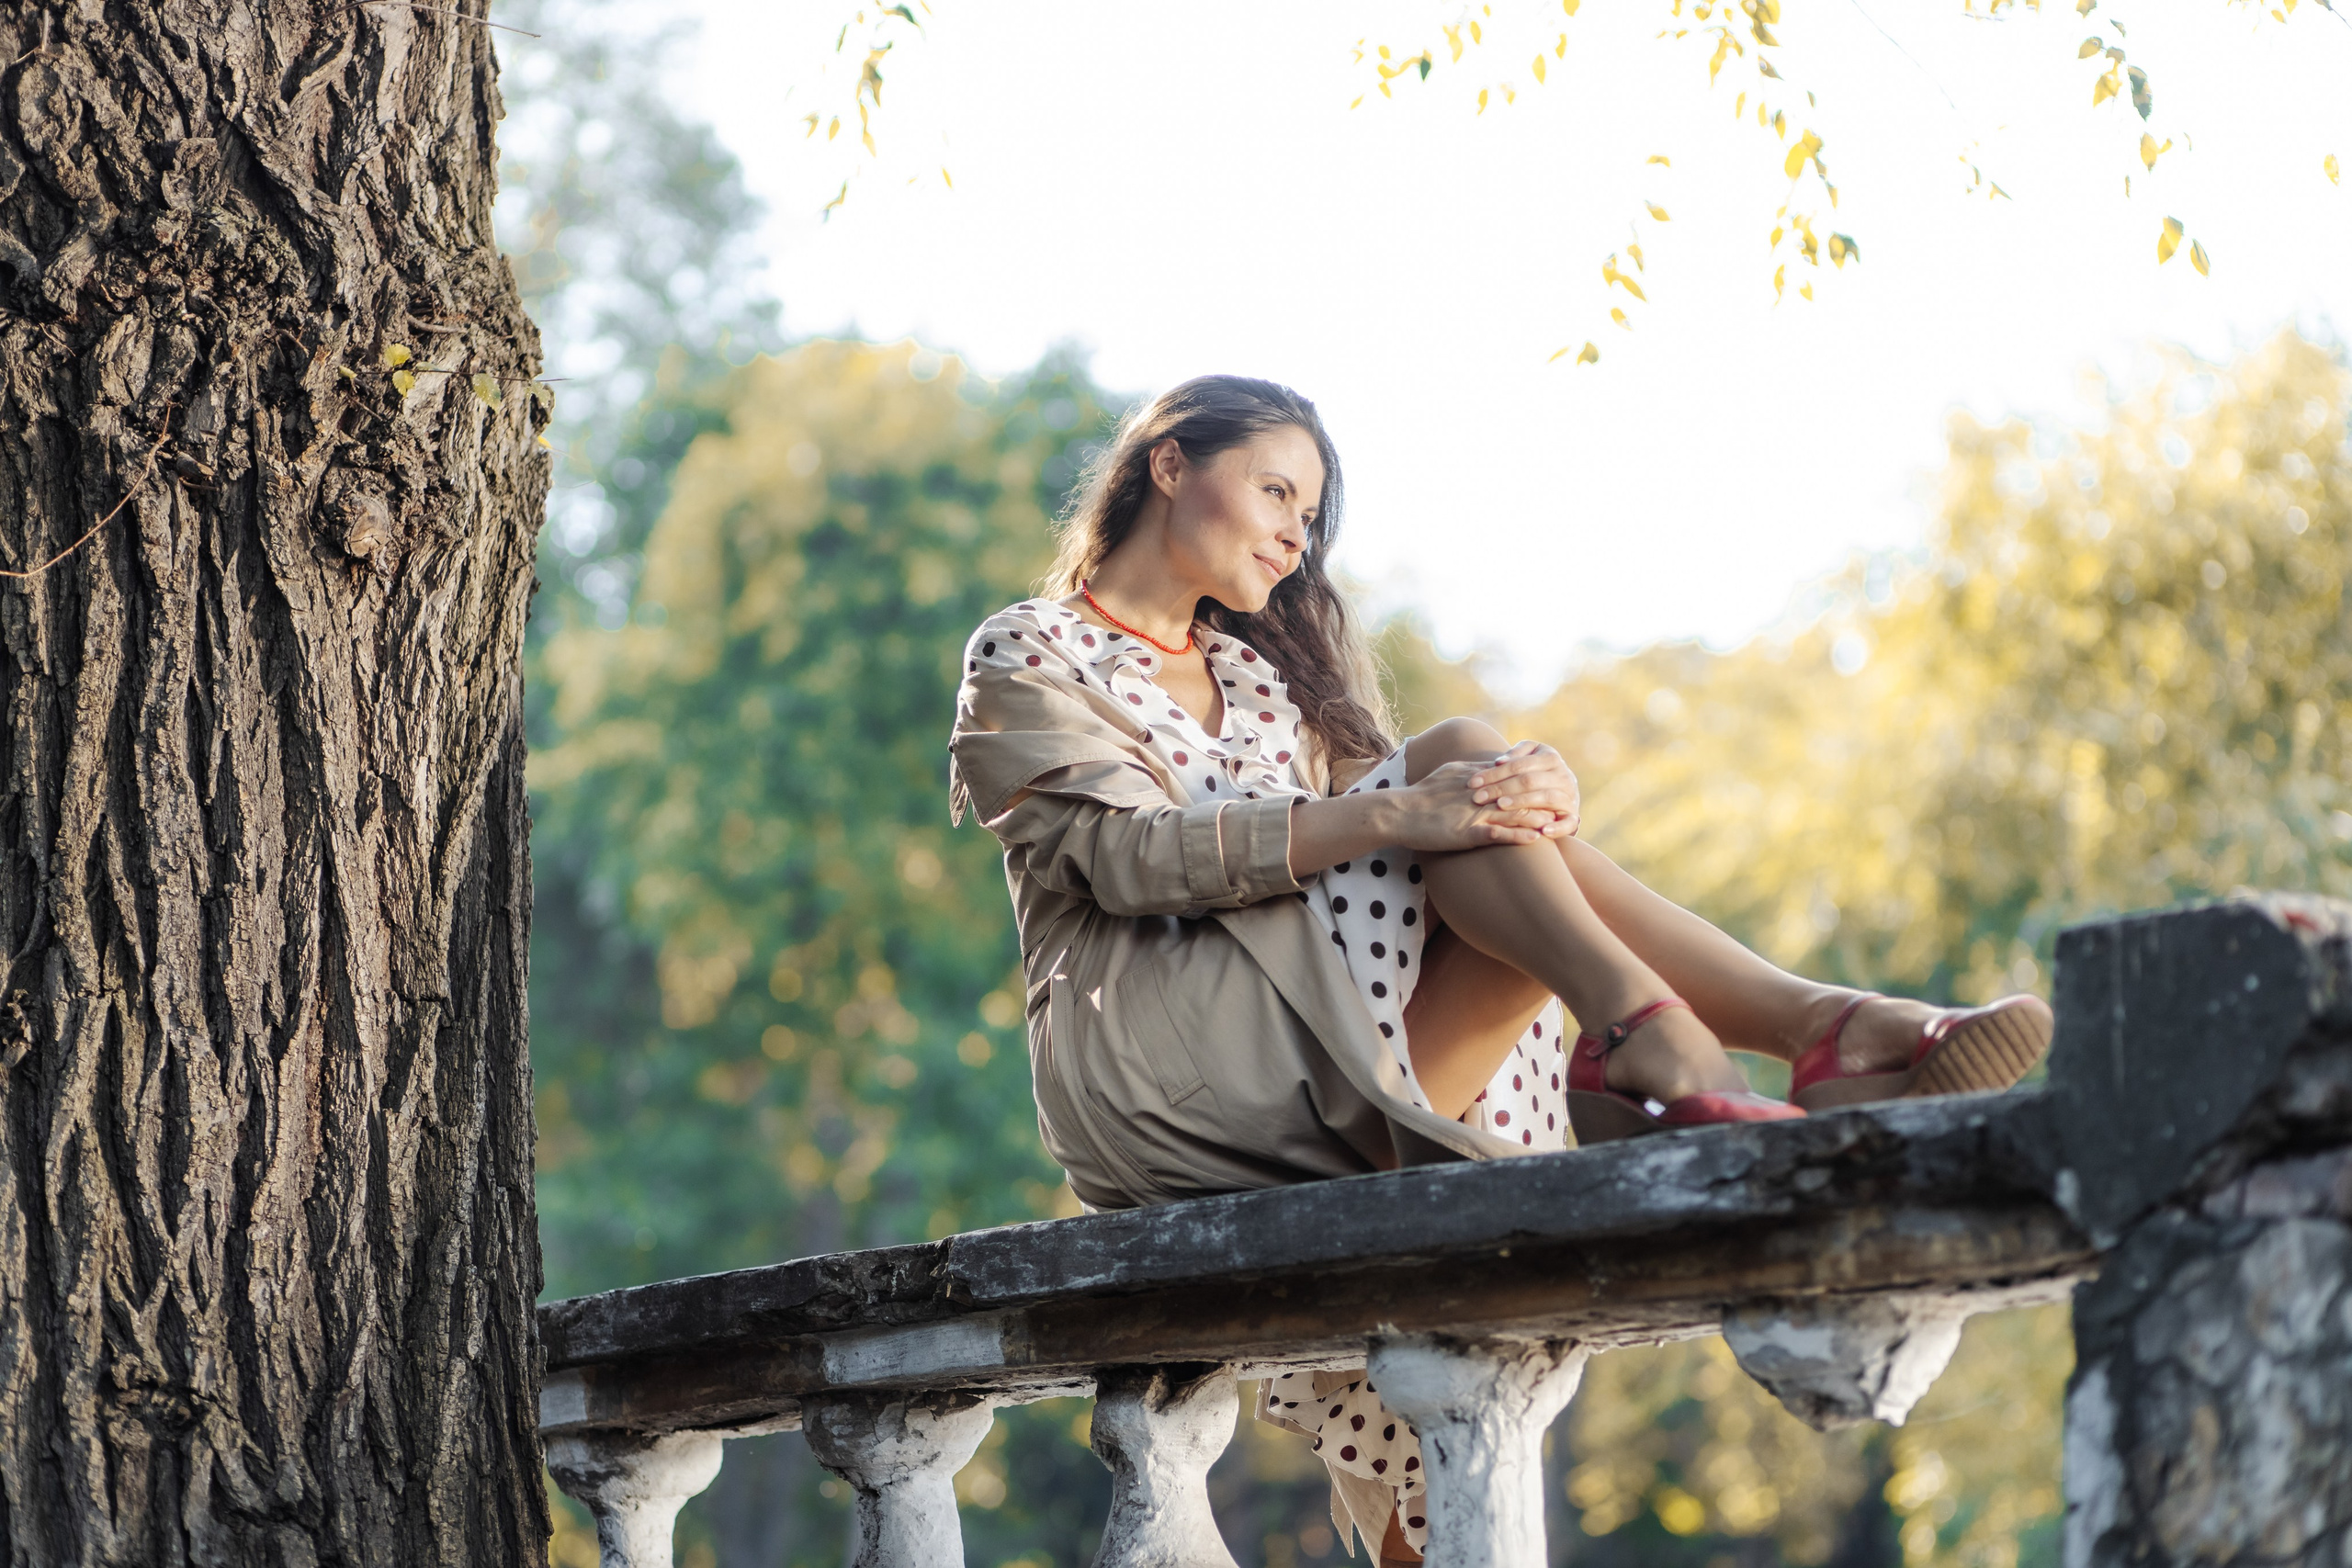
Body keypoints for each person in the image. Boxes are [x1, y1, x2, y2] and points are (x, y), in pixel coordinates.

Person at [946, 375, 2052, 1563]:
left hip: (1329, 1062)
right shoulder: (1034, 647)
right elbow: (1120, 860)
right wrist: (1415, 810)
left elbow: (1437, 828)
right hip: (1163, 1077)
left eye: (1310, 515)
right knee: (1460, 774)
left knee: (1494, 794)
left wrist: (1535, 801)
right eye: (1276, 489)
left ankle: (1749, 1033)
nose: (1294, 533)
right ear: (1169, 464)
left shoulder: (1263, 680)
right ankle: (1777, 1035)